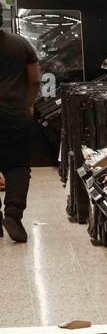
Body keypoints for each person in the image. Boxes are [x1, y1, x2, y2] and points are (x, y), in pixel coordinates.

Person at [0, 16, 39, 244]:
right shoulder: (20, 43)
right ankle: (13, 213)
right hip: (15, 113)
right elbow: (34, 79)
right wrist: (29, 103)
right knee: (18, 166)